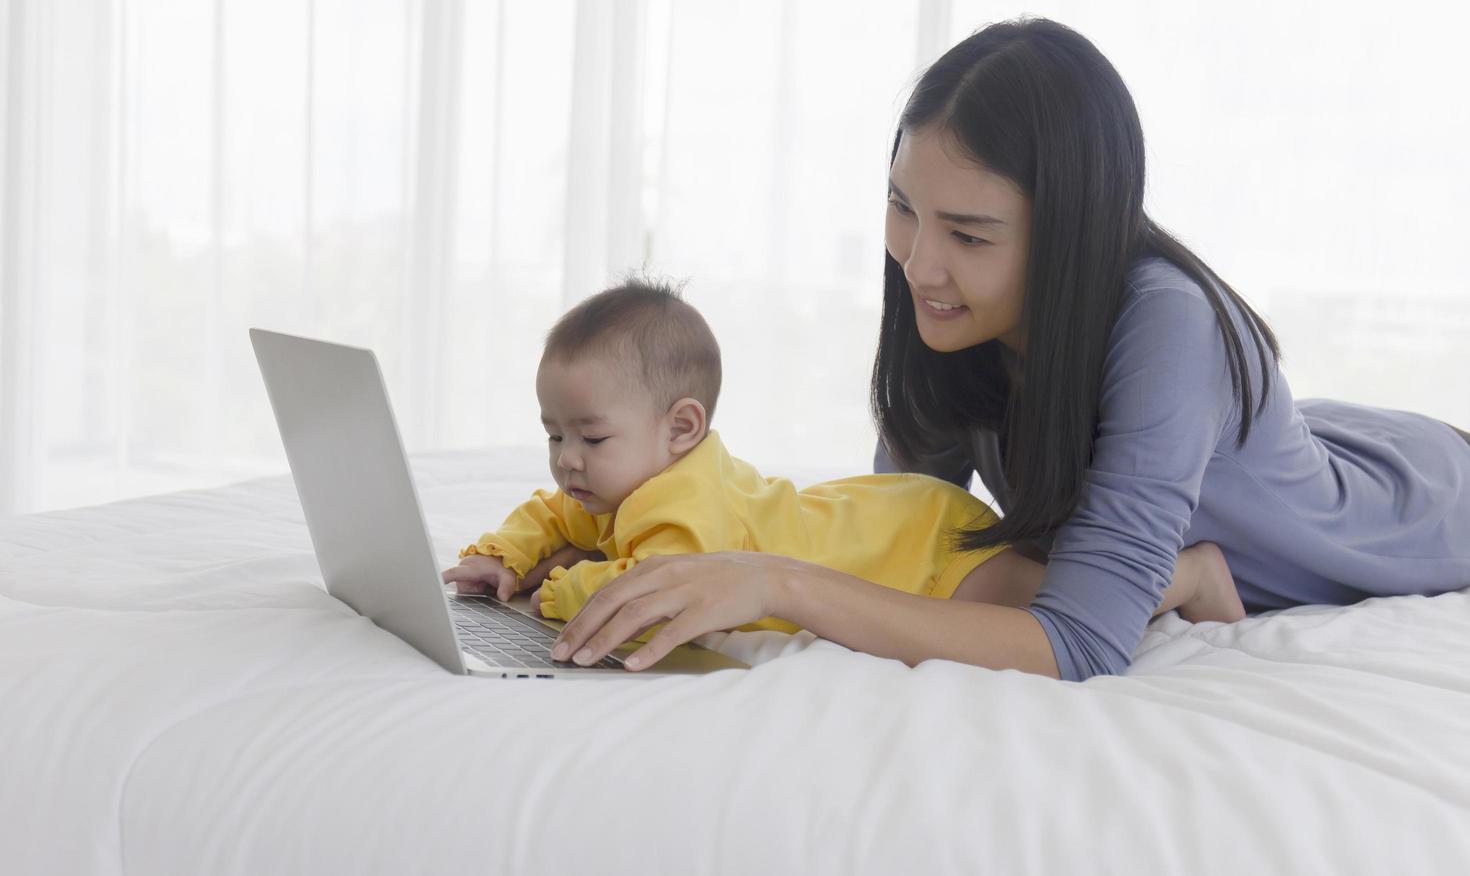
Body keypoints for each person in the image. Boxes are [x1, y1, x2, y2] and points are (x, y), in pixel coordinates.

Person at [532, 17, 1470, 680]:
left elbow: (1080, 644)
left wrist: (775, 580)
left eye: (970, 235)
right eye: (903, 207)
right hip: (1260, 458)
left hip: (1423, 507)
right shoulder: (955, 304)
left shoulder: (1168, 327)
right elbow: (906, 530)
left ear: (1069, 233)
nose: (919, 262)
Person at [439, 276, 1245, 656]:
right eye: (554, 436)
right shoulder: (625, 473)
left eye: (588, 439)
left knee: (1044, 597)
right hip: (872, 517)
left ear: (681, 428)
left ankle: (1190, 574)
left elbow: (652, 590)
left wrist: (555, 586)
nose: (569, 462)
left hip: (917, 550)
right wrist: (500, 555)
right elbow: (556, 513)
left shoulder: (682, 507)